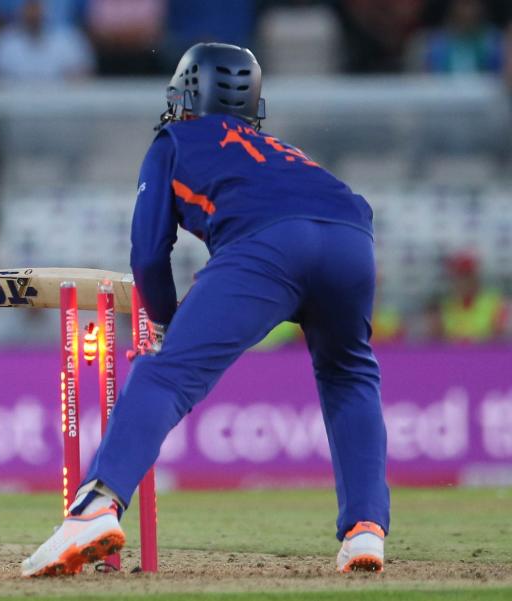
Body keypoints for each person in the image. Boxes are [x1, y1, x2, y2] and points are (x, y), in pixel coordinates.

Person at [22, 43, 389, 576]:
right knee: (349, 374)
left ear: (186, 94)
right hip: (353, 240)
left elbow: (149, 254)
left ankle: (97, 506)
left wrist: (167, 322)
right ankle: (365, 532)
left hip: (269, 246)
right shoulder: (284, 150)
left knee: (164, 376)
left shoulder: (175, 139)